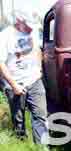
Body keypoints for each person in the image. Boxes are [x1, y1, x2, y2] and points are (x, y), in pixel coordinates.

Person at [0, 12, 48, 144]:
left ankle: (42, 149)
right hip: (15, 83)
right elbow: (1, 63)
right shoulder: (5, 36)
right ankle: (21, 142)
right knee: (18, 118)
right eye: (28, 25)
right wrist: (14, 85)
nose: (31, 28)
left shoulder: (32, 31)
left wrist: (39, 69)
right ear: (19, 21)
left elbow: (38, 50)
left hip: (34, 80)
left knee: (40, 115)